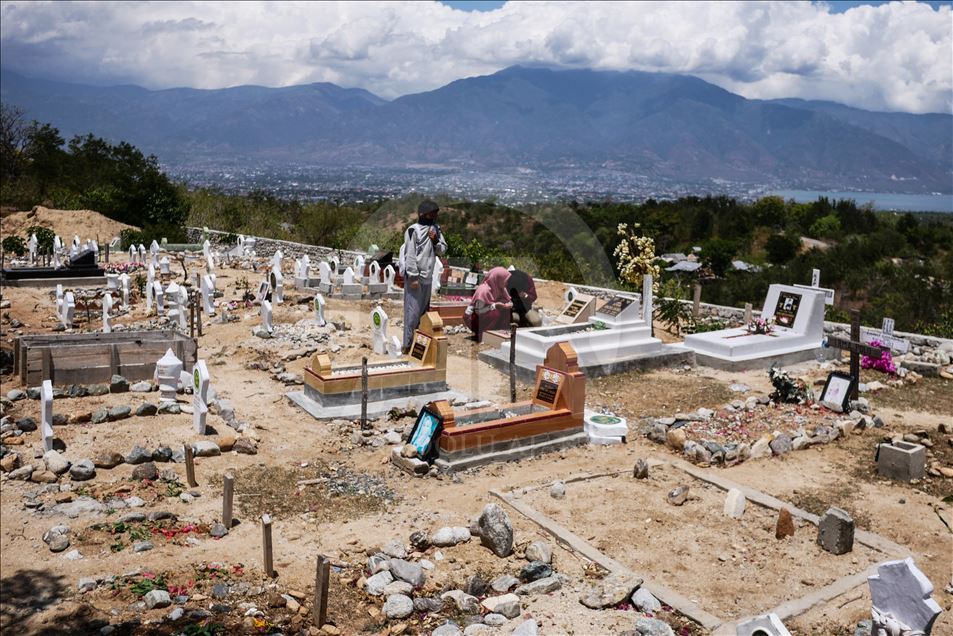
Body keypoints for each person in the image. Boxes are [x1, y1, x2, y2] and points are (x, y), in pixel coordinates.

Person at [401, 200, 447, 353]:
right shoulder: (413, 230)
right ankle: (407, 345)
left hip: (428, 277)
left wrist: (435, 240)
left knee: (423, 313)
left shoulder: (436, 229)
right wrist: (413, 276)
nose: (434, 216)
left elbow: (442, 250)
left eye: (435, 213)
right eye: (432, 213)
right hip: (416, 278)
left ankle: (419, 345)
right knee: (412, 313)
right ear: (424, 214)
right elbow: (410, 255)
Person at [464, 266, 540, 342]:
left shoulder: (500, 287)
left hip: (521, 309)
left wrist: (509, 304)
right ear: (498, 279)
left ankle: (500, 332)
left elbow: (508, 299)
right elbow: (478, 311)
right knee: (495, 313)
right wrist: (495, 305)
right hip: (474, 317)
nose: (507, 283)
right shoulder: (483, 290)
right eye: (505, 280)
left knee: (505, 311)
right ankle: (483, 334)